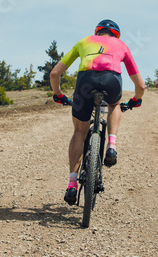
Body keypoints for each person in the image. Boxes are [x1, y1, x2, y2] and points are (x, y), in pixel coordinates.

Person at [50, 19, 146, 205]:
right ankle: (111, 146)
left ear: (97, 32)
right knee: (113, 105)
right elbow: (140, 85)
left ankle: (71, 185)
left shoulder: (84, 41)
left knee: (79, 132)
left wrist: (58, 95)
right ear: (115, 35)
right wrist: (136, 100)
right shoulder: (122, 45)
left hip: (85, 82)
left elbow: (54, 73)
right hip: (112, 81)